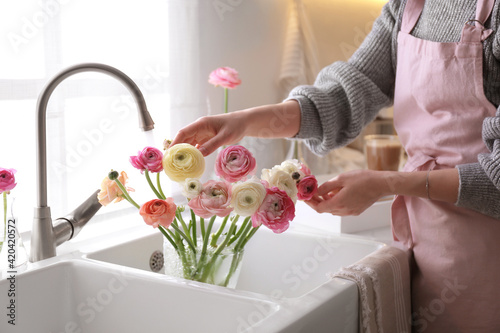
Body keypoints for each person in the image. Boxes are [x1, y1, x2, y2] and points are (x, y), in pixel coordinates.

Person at [171, 0, 500, 331]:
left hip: (487, 242)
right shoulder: (408, 7)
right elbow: (342, 97)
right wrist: (244, 121)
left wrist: (386, 183)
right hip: (423, 230)